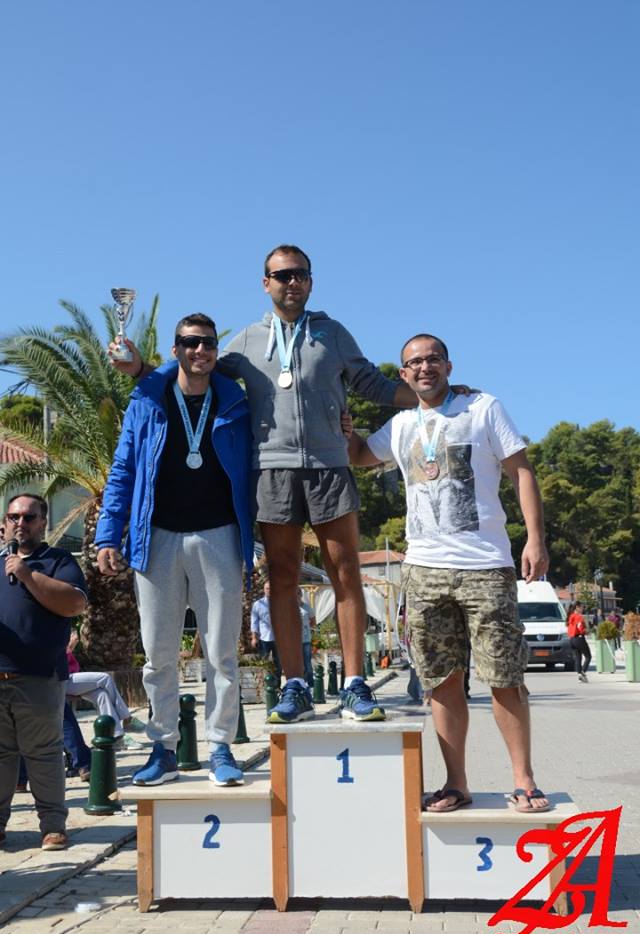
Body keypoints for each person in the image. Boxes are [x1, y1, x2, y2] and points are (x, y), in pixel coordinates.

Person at [111, 245, 437, 724]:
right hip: (271, 470)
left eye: (300, 274)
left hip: (328, 467)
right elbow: (194, 368)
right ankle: (295, 685)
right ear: (266, 283)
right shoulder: (247, 341)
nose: (292, 282)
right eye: (282, 275)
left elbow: (373, 384)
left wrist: (434, 394)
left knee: (345, 574)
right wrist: (141, 370)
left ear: (311, 281)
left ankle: (354, 684)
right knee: (282, 578)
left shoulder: (333, 333)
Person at [347, 333, 551, 813]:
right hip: (424, 570)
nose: (425, 368)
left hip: (485, 566)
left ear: (449, 365)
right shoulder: (401, 425)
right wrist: (338, 420)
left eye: (433, 359)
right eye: (414, 363)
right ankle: (456, 783)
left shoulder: (482, 408)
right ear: (403, 374)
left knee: (504, 675)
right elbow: (358, 456)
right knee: (441, 680)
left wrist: (535, 539)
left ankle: (524, 780)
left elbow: (521, 471)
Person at [95, 314, 254, 787]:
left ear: (216, 351)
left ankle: (221, 746)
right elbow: (123, 469)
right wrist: (108, 534)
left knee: (221, 652)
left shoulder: (236, 402)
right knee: (159, 654)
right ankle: (162, 749)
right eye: (189, 342)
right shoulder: (148, 400)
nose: (199, 351)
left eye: (207, 343)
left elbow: (257, 463)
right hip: (156, 536)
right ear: (175, 349)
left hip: (219, 534)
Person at [0, 493, 87, 849]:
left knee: (43, 754)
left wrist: (26, 574)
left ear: (43, 523)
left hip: (38, 676)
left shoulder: (58, 561)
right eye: (14, 517)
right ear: (4, 523)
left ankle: (52, 825)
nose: (20, 523)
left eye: (29, 517)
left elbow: (75, 603)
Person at [65, 631, 135, 738]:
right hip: (61, 681)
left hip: (69, 681)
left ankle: (116, 735)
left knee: (102, 695)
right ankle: (126, 717)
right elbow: (55, 663)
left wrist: (69, 649)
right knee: (105, 678)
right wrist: (69, 647)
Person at [250, 582, 282, 688]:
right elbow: (254, 622)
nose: (269, 590)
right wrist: (254, 638)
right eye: (267, 588)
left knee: (278, 663)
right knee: (264, 663)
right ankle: (265, 686)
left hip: (278, 638)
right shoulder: (258, 604)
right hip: (264, 638)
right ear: (264, 590)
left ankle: (277, 686)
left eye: (271, 588)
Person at [567, 603, 591, 681]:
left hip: (571, 639)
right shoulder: (579, 617)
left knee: (578, 658)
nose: (583, 609)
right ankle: (583, 672)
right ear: (577, 607)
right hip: (579, 638)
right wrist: (586, 631)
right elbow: (580, 628)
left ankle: (579, 675)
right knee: (588, 656)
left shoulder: (571, 616)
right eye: (582, 607)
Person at [298, 588, 316, 687]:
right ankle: (300, 682)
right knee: (297, 663)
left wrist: (306, 627)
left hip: (305, 639)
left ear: (301, 595)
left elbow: (313, 622)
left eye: (298, 594)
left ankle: (310, 683)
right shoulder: (290, 607)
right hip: (294, 641)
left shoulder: (307, 607)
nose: (296, 596)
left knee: (307, 663)